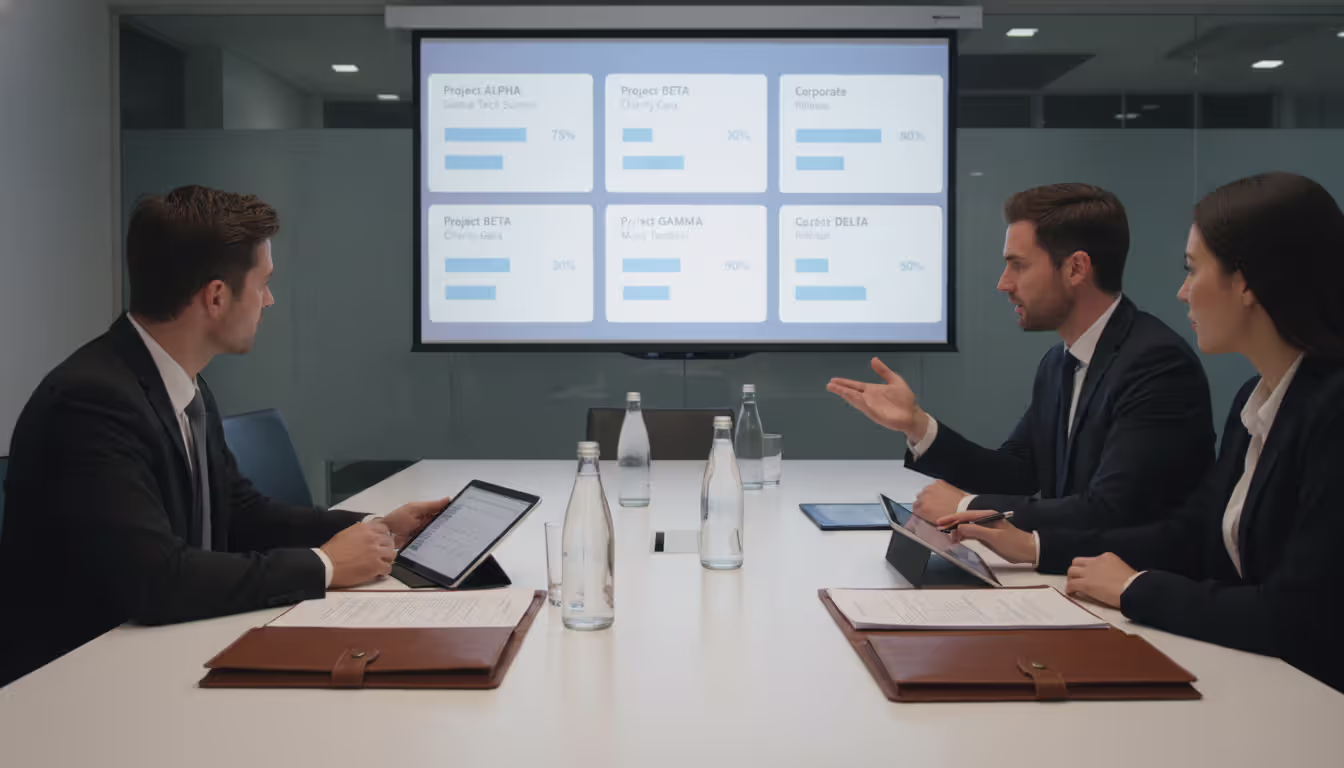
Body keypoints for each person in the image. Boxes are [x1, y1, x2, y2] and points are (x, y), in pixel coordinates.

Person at [0, 186, 448, 686]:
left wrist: (377, 528)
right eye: (263, 284)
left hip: (154, 656)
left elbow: (238, 513)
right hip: (73, 686)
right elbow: (157, 580)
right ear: (216, 297)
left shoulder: (181, 381)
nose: (269, 300)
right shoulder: (90, 402)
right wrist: (324, 566)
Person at [940, 172, 1344, 692]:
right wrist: (1038, 547)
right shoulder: (1257, 397)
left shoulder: (1330, 411)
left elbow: (1296, 615)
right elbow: (1193, 535)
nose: (1181, 291)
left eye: (1192, 270)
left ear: (1246, 282)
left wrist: (1134, 588)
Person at [828, 183, 1214, 536]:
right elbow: (1016, 474)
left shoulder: (1156, 365)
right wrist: (917, 425)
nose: (1003, 283)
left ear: (1076, 268)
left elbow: (1112, 511)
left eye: (1018, 265)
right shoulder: (1058, 363)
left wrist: (966, 507)